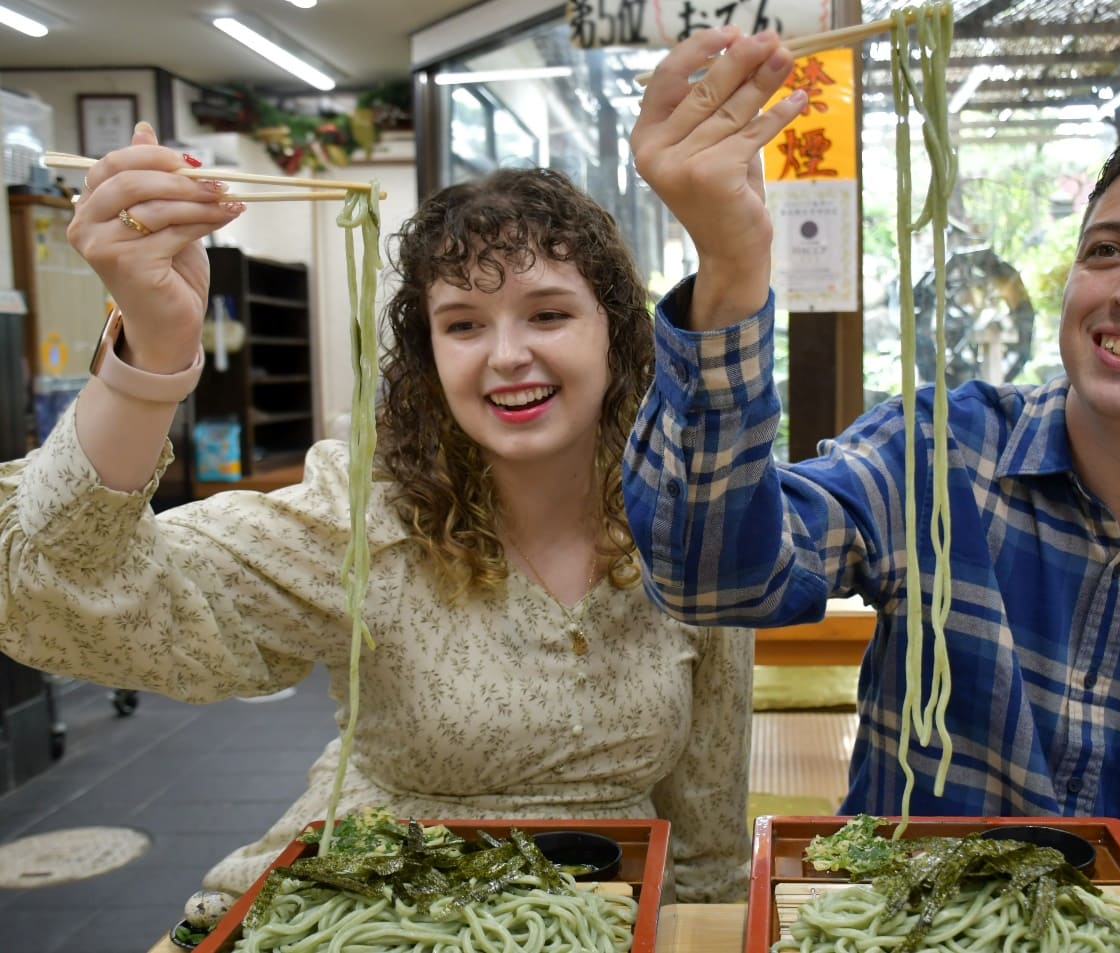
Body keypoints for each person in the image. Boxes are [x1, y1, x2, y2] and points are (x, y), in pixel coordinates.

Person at [623, 28, 1120, 902]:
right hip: (888, 920)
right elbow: (712, 579)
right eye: (1104, 250)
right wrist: (730, 266)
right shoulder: (936, 453)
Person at [0, 123, 754, 905]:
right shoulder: (365, 516)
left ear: (616, 334)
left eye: (548, 314)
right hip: (378, 902)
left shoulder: (687, 524)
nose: (505, 355)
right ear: (430, 358)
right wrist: (154, 348)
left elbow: (708, 842)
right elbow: (58, 578)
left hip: (609, 906)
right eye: (463, 323)